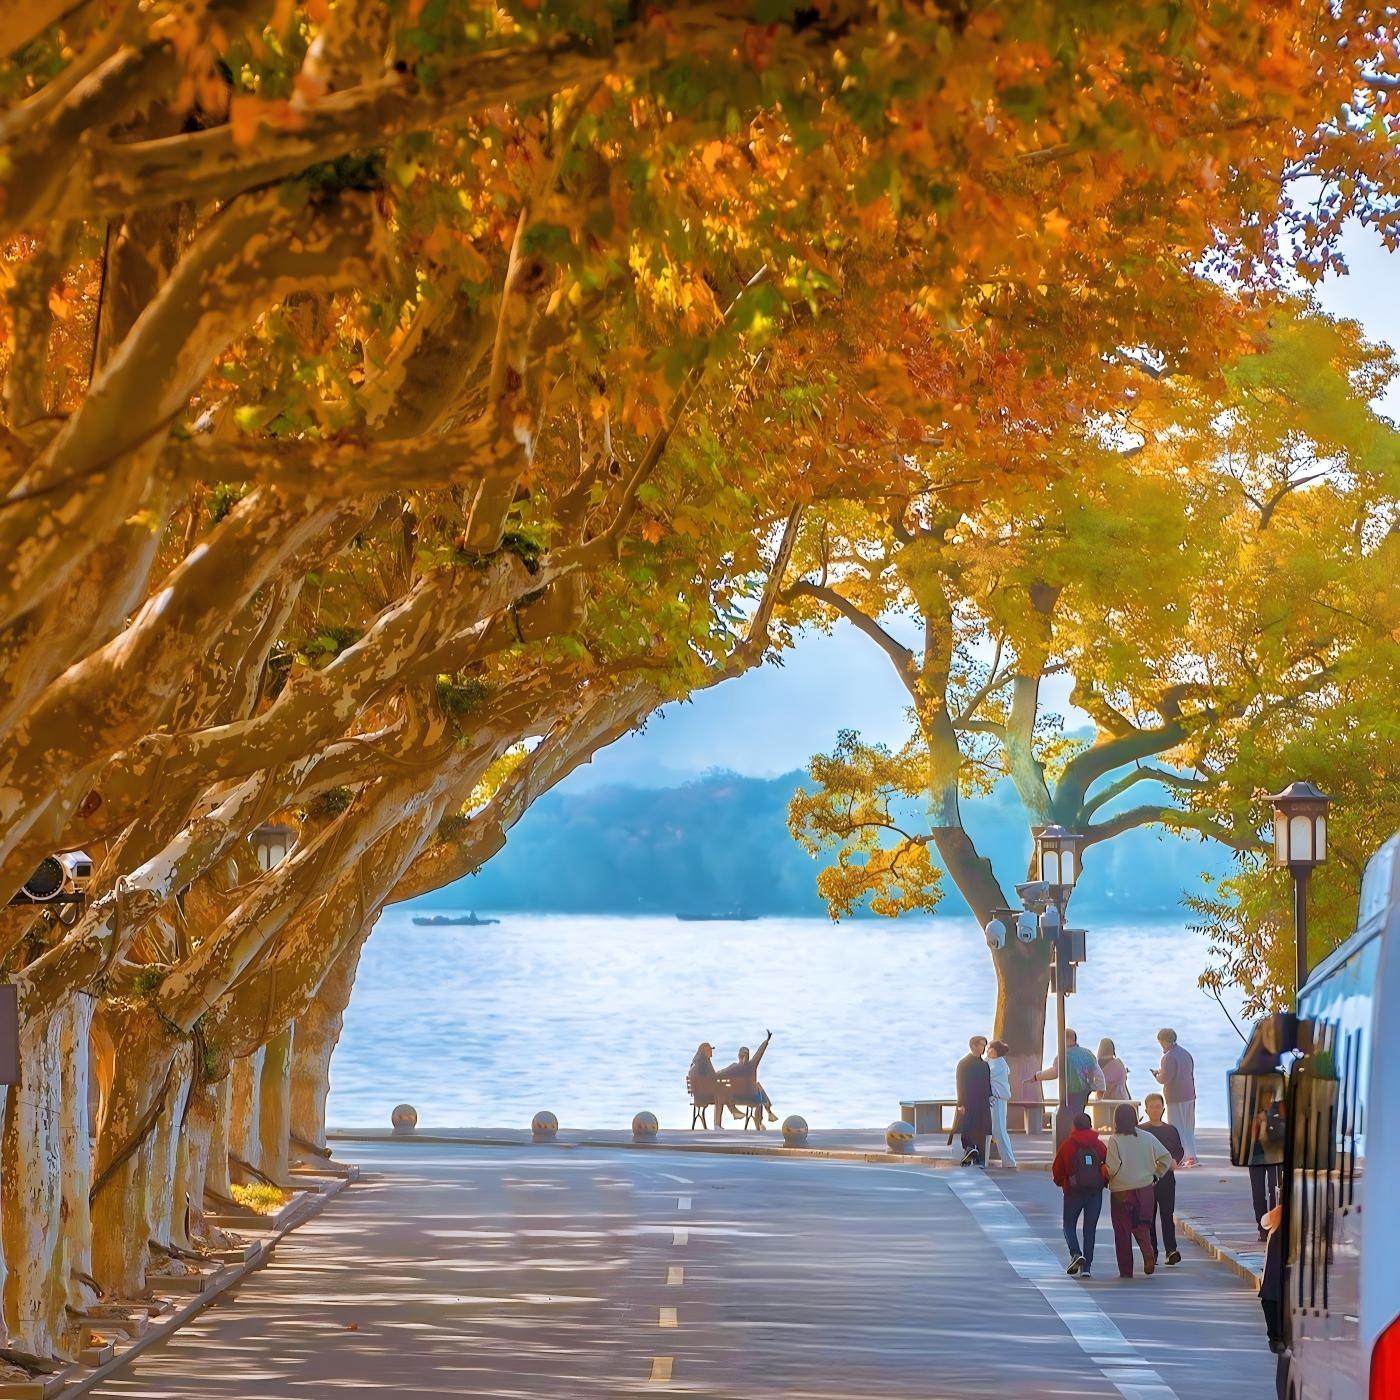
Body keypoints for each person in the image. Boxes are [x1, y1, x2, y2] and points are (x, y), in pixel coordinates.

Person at [1104, 1102, 1173, 1278]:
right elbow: (1166, 1157)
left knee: (1122, 1232)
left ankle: (1126, 1271)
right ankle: (1148, 1253)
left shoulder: (1115, 1139)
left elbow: (1112, 1168)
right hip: (1145, 1189)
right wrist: (1156, 1175)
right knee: (1142, 1226)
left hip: (1121, 1191)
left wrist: (1105, 1174)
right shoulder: (1147, 1137)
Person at [1052, 1111, 1106, 1278]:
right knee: (1090, 1229)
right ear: (1090, 1125)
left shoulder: (1068, 1145)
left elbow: (1057, 1171)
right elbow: (1109, 1165)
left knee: (1069, 1225)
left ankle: (1075, 1253)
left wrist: (1063, 1183)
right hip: (1095, 1192)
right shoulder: (1099, 1145)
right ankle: (1087, 1268)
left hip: (1073, 1192)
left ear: (1074, 1126)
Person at [1139, 1093, 1184, 1266]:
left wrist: (1175, 1160)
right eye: (1152, 1107)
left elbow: (1179, 1150)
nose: (1155, 1110)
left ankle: (1171, 1250)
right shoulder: (1141, 1130)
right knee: (1149, 1216)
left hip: (1167, 1178)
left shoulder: (1171, 1130)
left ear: (1163, 1108)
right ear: (1146, 1109)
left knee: (1167, 1214)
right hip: (1148, 1179)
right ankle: (1152, 1251)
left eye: (1158, 1106)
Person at [1032, 1029, 1103, 1120]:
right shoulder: (1087, 1054)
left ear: (1065, 1039)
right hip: (1085, 1091)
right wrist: (1100, 1089)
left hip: (1070, 1091)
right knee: (1079, 1114)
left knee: (1071, 1116)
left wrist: (1037, 1076)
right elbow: (1098, 1074)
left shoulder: (1064, 1055)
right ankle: (1079, 1129)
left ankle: (1073, 1131)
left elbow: (1054, 1072)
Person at [1152, 1028, 1198, 1165]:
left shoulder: (1168, 1057)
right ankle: (1191, 1155)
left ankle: (1181, 1157)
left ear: (1164, 1041)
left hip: (1176, 1096)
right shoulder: (1185, 1053)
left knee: (1176, 1127)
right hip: (1190, 1094)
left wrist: (1156, 1075)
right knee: (1189, 1127)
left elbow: (1164, 1079)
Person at [718, 1031, 778, 1128]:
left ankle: (734, 1111)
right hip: (751, 1097)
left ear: (738, 1056)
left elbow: (721, 1074)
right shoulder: (752, 1064)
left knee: (755, 1089)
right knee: (759, 1098)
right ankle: (761, 1121)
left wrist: (710, 1074)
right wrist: (766, 1041)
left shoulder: (733, 1067)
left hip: (736, 1098)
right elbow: (759, 1053)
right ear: (748, 1056)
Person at [1258, 1201, 1287, 1397]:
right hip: (1281, 1294)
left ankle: (1275, 1338)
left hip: (1273, 1295)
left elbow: (1264, 1221)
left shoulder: (1280, 1214)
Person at [955, 1035, 992, 1166]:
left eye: (984, 1045)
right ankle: (969, 1150)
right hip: (969, 1101)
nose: (983, 1048)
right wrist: (961, 1104)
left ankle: (979, 1157)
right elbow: (960, 1084)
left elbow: (988, 1084)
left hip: (983, 1102)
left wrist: (990, 1098)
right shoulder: (963, 1063)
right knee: (969, 1126)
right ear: (973, 1046)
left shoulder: (984, 1065)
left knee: (982, 1128)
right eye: (981, 1045)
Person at [985, 1040, 1017, 1168]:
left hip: (998, 1099)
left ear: (995, 1051)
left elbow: (988, 1074)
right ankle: (984, 1158)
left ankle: (1009, 1161)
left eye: (989, 1048)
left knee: (999, 1130)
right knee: (989, 1130)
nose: (987, 1050)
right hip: (992, 1099)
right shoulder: (991, 1061)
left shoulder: (999, 1064)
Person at [1092, 1038, 1129, 1130]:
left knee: (1101, 1128)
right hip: (1119, 1097)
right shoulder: (1118, 1064)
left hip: (1101, 1098)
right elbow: (1122, 1080)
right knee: (1119, 1126)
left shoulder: (1096, 1064)